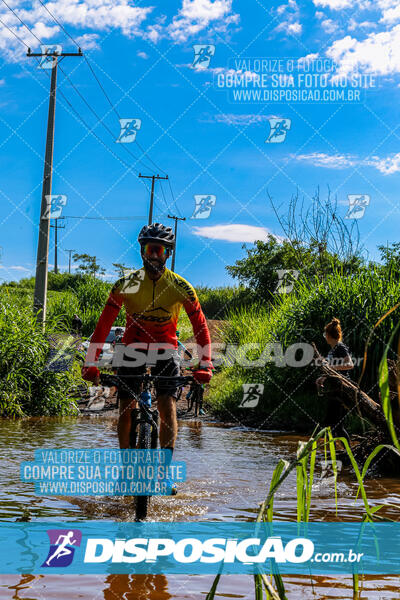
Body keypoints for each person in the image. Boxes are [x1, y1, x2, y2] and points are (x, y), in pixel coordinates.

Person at [82, 223, 213, 491]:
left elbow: (201, 327)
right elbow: (103, 327)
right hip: (132, 348)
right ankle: (127, 471)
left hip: (166, 349)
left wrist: (205, 363)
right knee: (126, 408)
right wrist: (91, 361)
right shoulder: (125, 285)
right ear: (141, 251)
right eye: (148, 249)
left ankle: (164, 474)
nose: (153, 254)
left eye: (159, 249)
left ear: (168, 254)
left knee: (167, 405)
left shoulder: (181, 287)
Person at [316, 318, 354, 440]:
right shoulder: (333, 350)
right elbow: (332, 370)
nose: (324, 337)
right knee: (328, 424)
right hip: (335, 389)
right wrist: (322, 378)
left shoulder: (340, 347)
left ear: (328, 335)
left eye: (324, 334)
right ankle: (334, 453)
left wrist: (330, 367)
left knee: (338, 427)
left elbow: (350, 365)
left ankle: (348, 454)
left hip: (342, 390)